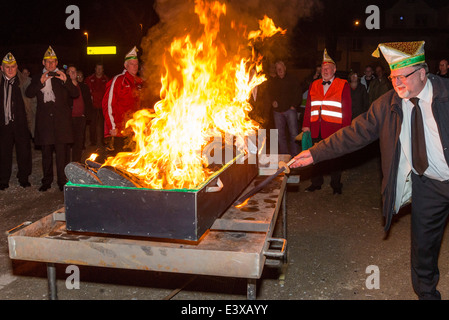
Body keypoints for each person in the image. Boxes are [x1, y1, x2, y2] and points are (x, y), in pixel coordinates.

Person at [291, 41, 449, 300]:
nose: (397, 83)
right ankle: (427, 294)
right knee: (424, 248)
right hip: (428, 184)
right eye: (392, 77)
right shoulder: (386, 105)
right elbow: (354, 134)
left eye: (402, 77)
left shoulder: (445, 94)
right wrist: (314, 153)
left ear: (423, 73)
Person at [25, 46, 79, 191]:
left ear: (57, 63)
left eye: (53, 62)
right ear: (43, 63)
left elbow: (75, 93)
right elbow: (29, 93)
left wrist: (66, 81)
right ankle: (47, 181)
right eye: (48, 62)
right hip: (45, 124)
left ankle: (62, 181)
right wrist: (40, 83)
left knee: (62, 155)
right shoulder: (38, 77)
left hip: (61, 124)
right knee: (46, 155)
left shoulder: (61, 76)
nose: (50, 64)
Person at [302, 49, 352, 194]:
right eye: (323, 68)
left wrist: (346, 129)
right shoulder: (314, 84)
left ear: (334, 69)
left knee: (335, 159)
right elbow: (308, 107)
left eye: (328, 68)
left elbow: (347, 109)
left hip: (334, 129)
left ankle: (336, 185)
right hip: (316, 128)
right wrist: (306, 125)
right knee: (315, 157)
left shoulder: (343, 84)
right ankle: (316, 183)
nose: (325, 70)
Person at [102, 46, 143, 156]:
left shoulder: (139, 82)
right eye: (132, 64)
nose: (135, 67)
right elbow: (108, 104)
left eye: (136, 64)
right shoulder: (119, 80)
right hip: (118, 131)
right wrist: (112, 127)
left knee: (132, 161)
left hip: (134, 130)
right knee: (117, 161)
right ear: (125, 65)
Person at [0, 52, 32, 190]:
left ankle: (23, 178)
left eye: (13, 66)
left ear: (17, 67)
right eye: (7, 67)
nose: (10, 69)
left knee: (24, 152)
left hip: (21, 123)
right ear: (1, 68)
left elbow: (33, 103)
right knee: (3, 153)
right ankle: (3, 180)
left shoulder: (24, 82)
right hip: (3, 125)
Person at [268, 60, 301, 157]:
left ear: (284, 68)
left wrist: (294, 105)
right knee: (280, 135)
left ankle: (295, 155)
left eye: (280, 67)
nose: (279, 70)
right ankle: (284, 155)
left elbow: (298, 92)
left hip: (290, 110)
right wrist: (272, 101)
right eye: (277, 68)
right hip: (277, 112)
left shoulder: (292, 79)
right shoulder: (274, 81)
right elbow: (270, 93)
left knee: (293, 134)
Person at [66, 65, 93, 163]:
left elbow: (88, 102)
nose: (73, 73)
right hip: (68, 119)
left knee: (79, 142)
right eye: (70, 71)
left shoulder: (83, 86)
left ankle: (76, 163)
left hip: (80, 118)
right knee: (68, 143)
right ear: (67, 73)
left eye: (74, 71)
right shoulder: (65, 86)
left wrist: (87, 116)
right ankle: (67, 163)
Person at [85, 63, 109, 147]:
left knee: (103, 125)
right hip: (93, 105)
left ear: (103, 70)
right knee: (92, 125)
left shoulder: (106, 79)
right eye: (97, 68)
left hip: (103, 106)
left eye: (101, 68)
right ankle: (93, 142)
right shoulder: (89, 79)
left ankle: (103, 141)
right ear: (95, 69)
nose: (99, 70)